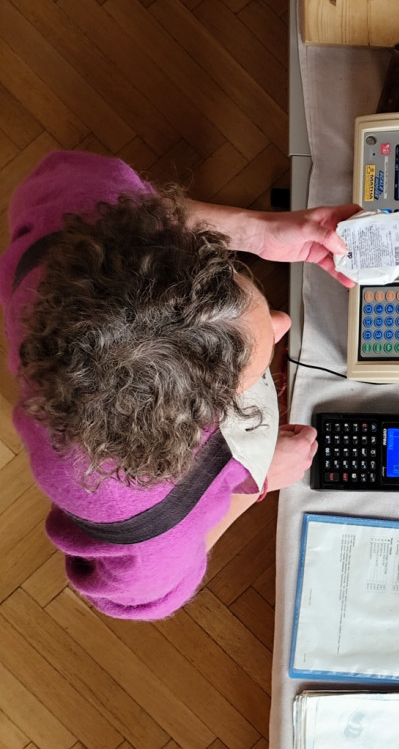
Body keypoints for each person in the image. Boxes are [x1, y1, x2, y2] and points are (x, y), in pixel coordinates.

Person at [1, 150, 359, 619]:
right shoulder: (139, 521)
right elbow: (144, 599)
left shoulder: (74, 211)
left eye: (234, 275)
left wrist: (258, 230)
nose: (283, 323)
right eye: (250, 372)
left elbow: (126, 205)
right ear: (196, 422)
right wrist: (259, 482)